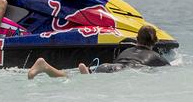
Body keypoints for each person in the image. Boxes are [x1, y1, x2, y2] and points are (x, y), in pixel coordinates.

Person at [27, 25, 170, 79]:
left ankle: (45, 66)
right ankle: (85, 76)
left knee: (72, 75)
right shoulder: (156, 57)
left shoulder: (127, 50)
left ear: (136, 38)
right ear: (155, 41)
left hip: (107, 66)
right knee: (80, 80)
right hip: (127, 71)